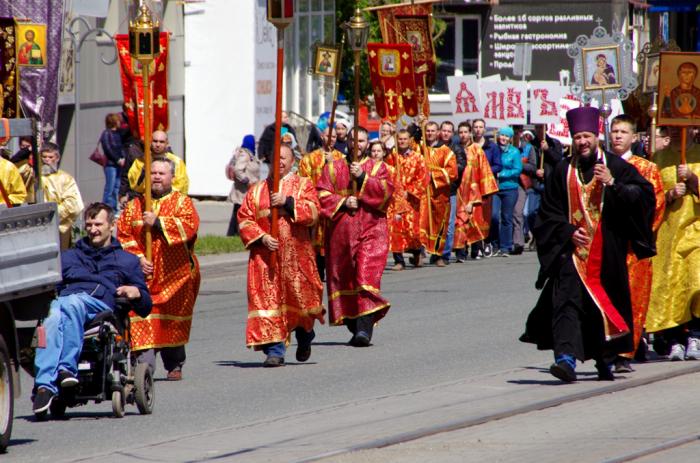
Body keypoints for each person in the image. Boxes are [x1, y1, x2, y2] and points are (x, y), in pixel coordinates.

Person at [520, 106, 656, 383]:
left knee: (601, 308)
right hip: (570, 254)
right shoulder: (561, 170)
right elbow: (548, 213)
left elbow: (644, 198)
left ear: (596, 136)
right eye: (577, 137)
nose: (582, 142)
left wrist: (614, 183)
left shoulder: (617, 167)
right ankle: (566, 360)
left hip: (607, 253)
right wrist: (567, 231)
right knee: (566, 304)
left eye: (587, 136)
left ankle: (604, 360)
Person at [32, 203, 152, 415]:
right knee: (51, 314)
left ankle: (65, 369)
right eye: (89, 224)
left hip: (102, 305)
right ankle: (45, 386)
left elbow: (145, 307)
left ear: (112, 225)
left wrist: (137, 292)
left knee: (70, 303)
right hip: (68, 304)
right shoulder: (69, 257)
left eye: (98, 224)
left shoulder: (127, 261)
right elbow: (55, 289)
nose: (93, 229)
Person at [238, 143, 325, 366]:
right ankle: (275, 350)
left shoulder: (303, 184)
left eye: (284, 158)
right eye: (276, 158)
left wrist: (287, 202)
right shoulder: (257, 190)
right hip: (266, 260)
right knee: (269, 301)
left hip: (297, 258)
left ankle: (305, 337)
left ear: (292, 161)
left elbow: (315, 212)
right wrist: (262, 237)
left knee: (301, 305)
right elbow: (245, 219)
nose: (280, 162)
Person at [118, 158, 200, 381]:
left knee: (170, 322)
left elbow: (190, 229)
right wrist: (138, 258)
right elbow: (123, 235)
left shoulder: (182, 203)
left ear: (171, 177)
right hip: (142, 279)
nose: (156, 177)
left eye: (161, 173)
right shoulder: (134, 206)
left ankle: (175, 363)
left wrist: (158, 222)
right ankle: (144, 368)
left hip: (174, 278)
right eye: (153, 173)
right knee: (141, 318)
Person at [317, 126, 394, 346]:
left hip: (372, 232)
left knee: (365, 277)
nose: (357, 145)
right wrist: (342, 202)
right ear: (348, 142)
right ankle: (355, 324)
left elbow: (386, 193)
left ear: (367, 143)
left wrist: (362, 179)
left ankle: (364, 329)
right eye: (354, 140)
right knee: (346, 278)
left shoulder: (378, 168)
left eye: (362, 141)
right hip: (341, 235)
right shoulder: (333, 168)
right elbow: (321, 194)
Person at [607, 115, 665, 372]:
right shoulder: (600, 164)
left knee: (632, 297)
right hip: (606, 242)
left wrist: (637, 230)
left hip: (633, 245)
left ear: (633, 137)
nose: (618, 136)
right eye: (614, 131)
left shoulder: (647, 168)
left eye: (623, 132)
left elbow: (656, 205)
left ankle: (625, 351)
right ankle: (606, 347)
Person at [645, 129, 700, 361]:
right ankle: (675, 339)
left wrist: (694, 180)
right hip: (668, 231)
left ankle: (696, 336)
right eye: (672, 130)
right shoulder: (659, 158)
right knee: (672, 285)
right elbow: (649, 195)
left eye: (683, 129)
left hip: (695, 229)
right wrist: (669, 195)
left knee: (696, 281)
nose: (679, 134)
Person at [298, 127, 346, 280]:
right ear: (322, 136)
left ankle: (334, 272)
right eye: (328, 135)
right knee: (316, 243)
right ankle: (318, 272)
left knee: (334, 242)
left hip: (334, 207)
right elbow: (303, 182)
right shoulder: (309, 159)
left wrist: (333, 164)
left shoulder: (342, 158)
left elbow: (345, 181)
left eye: (334, 136)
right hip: (316, 205)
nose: (331, 139)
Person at [453, 122, 499, 261]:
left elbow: (484, 170)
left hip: (474, 191)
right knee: (460, 220)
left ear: (470, 133)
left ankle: (475, 249)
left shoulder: (477, 150)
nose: (463, 135)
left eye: (466, 132)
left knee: (474, 220)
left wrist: (484, 191)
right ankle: (460, 251)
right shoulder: (454, 149)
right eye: (460, 132)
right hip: (459, 189)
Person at [385, 129, 428, 270]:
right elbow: (386, 174)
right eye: (400, 139)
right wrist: (396, 190)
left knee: (412, 231)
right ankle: (399, 260)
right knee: (395, 228)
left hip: (411, 201)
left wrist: (409, 191)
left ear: (409, 140)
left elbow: (423, 177)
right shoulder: (392, 156)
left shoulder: (418, 158)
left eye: (405, 139)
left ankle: (416, 252)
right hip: (396, 199)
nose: (402, 141)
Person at [420, 121, 458, 267]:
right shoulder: (420, 149)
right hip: (423, 193)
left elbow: (452, 172)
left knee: (440, 224)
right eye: (427, 130)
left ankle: (439, 255)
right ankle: (419, 253)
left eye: (432, 131)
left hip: (439, 194)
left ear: (438, 133)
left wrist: (432, 174)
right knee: (421, 222)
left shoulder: (446, 151)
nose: (429, 133)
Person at [40, 143, 84, 250]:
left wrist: (51, 216)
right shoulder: (34, 176)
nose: (47, 160)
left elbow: (74, 205)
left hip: (58, 225)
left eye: (50, 157)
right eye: (44, 157)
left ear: (57, 158)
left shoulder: (65, 178)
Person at [438, 121, 466, 264]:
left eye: (449, 131)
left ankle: (445, 254)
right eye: (444, 130)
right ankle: (436, 251)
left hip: (450, 190)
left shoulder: (457, 149)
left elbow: (460, 167)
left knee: (449, 223)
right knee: (436, 223)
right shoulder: (434, 147)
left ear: (452, 133)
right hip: (435, 191)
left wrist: (443, 173)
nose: (446, 133)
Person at [127, 130, 189, 195]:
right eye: (155, 141)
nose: (158, 145)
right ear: (150, 142)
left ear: (167, 143)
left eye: (161, 142)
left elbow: (181, 185)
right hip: (146, 200)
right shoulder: (140, 161)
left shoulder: (177, 162)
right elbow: (134, 183)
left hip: (170, 201)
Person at [492, 126, 522, 257]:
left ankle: (505, 246)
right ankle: (494, 244)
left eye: (506, 136)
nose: (503, 138)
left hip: (510, 188)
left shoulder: (514, 152)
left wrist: (502, 173)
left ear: (510, 139)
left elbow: (517, 169)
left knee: (506, 217)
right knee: (493, 216)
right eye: (501, 135)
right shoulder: (494, 149)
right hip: (495, 188)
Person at [226, 135, 260, 237]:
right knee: (240, 212)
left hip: (245, 190)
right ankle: (234, 234)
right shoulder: (245, 154)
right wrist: (247, 181)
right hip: (243, 190)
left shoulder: (249, 154)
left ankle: (233, 234)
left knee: (238, 212)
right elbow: (238, 169)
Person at [100, 113, 125, 210]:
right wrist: (117, 159)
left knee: (117, 187)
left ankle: (114, 207)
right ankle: (106, 207)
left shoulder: (118, 133)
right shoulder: (106, 133)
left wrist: (123, 158)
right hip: (111, 164)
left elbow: (121, 148)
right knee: (110, 187)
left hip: (119, 164)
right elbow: (108, 148)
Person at [10, 136, 36, 203]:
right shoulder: (19, 159)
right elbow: (14, 159)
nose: (25, 149)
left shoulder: (34, 157)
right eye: (22, 146)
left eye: (27, 146)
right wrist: (27, 150)